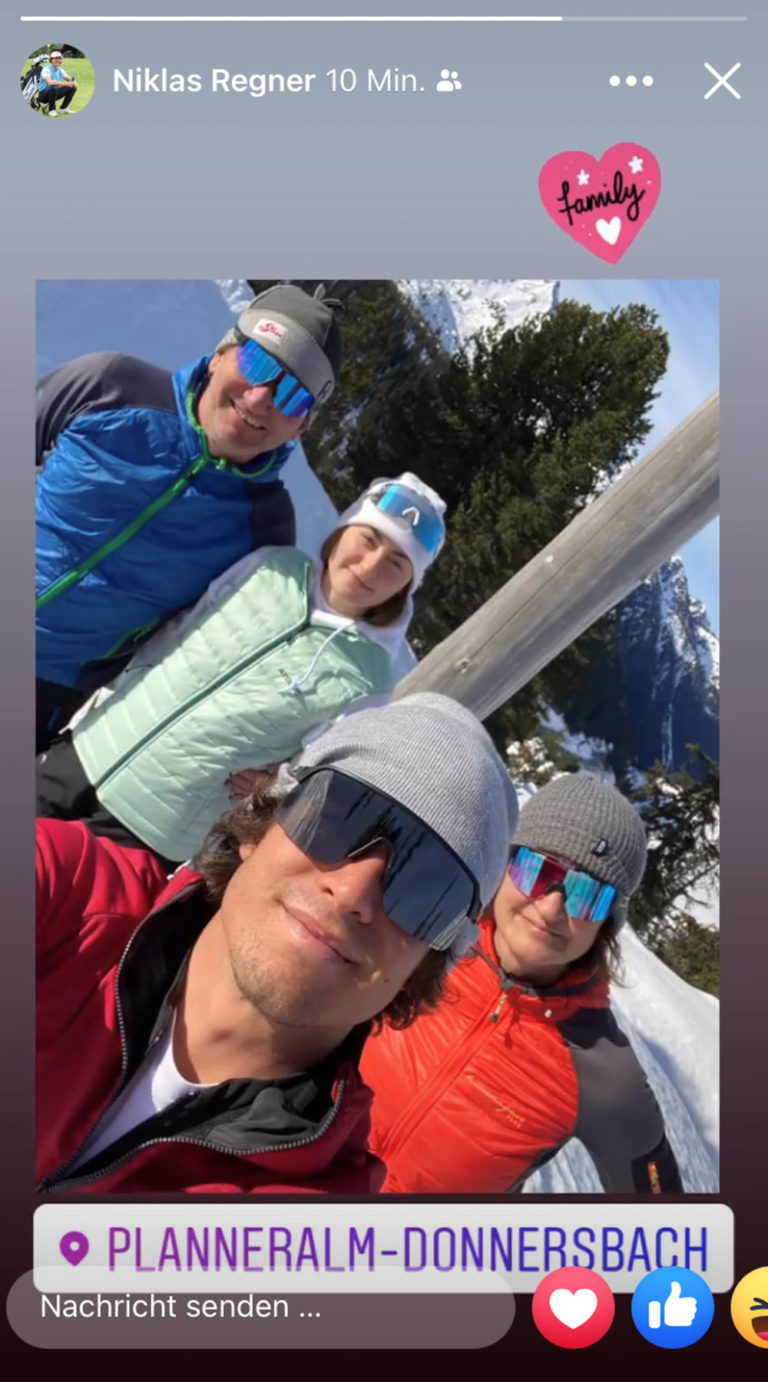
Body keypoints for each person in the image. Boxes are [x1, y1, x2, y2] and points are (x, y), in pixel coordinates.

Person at [36, 693, 519, 1195]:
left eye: (425, 889)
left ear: (424, 966)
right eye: (337, 817)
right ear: (261, 824)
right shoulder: (67, 896)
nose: (352, 892)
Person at [36, 473, 447, 869]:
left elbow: (318, 775)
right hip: (91, 747)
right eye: (368, 539)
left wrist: (275, 787)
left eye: (396, 564)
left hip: (153, 826)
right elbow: (182, 623)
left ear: (406, 587)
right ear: (343, 531)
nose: (371, 565)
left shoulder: (369, 678)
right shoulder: (272, 567)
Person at [36, 283, 343, 752]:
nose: (259, 400)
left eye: (292, 396)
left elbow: (213, 658)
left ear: (300, 426)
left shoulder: (266, 531)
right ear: (221, 353)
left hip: (44, 690)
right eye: (258, 364)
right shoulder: (109, 386)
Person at [361, 773, 684, 1194]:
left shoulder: (601, 1071)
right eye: (538, 869)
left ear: (607, 921)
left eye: (586, 894)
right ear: (507, 865)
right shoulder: (427, 931)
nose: (550, 909)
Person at [36, 52, 77, 116]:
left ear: (61, 60)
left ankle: (63, 108)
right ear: (51, 60)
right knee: (54, 87)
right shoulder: (46, 69)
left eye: (59, 58)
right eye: (55, 58)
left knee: (72, 87)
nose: (57, 60)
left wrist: (73, 82)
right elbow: (50, 83)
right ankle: (51, 110)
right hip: (43, 96)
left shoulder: (60, 70)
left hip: (54, 93)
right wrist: (67, 84)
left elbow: (70, 79)